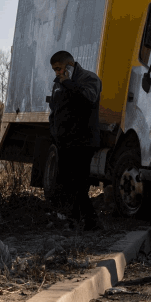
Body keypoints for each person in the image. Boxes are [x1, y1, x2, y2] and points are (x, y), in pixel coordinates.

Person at [49, 50, 102, 230]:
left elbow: (89, 99)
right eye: (54, 70)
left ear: (70, 66)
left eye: (59, 68)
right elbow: (55, 110)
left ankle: (91, 221)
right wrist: (55, 132)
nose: (57, 72)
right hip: (65, 141)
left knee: (79, 183)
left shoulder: (89, 79)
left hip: (83, 141)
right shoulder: (58, 84)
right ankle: (75, 219)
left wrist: (69, 84)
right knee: (67, 182)